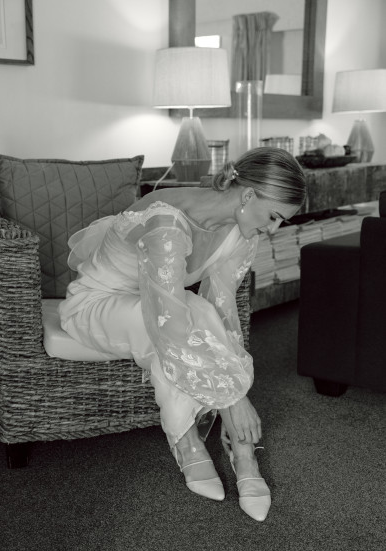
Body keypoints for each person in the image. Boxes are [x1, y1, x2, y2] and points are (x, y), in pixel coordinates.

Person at [59, 147, 307, 521]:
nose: (273, 229)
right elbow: (170, 328)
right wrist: (233, 399)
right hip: (96, 305)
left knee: (202, 312)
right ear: (247, 195)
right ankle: (188, 440)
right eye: (274, 217)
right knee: (181, 318)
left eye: (281, 222)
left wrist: (232, 387)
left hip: (153, 305)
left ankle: (241, 453)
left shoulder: (242, 230)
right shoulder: (166, 223)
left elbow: (222, 309)